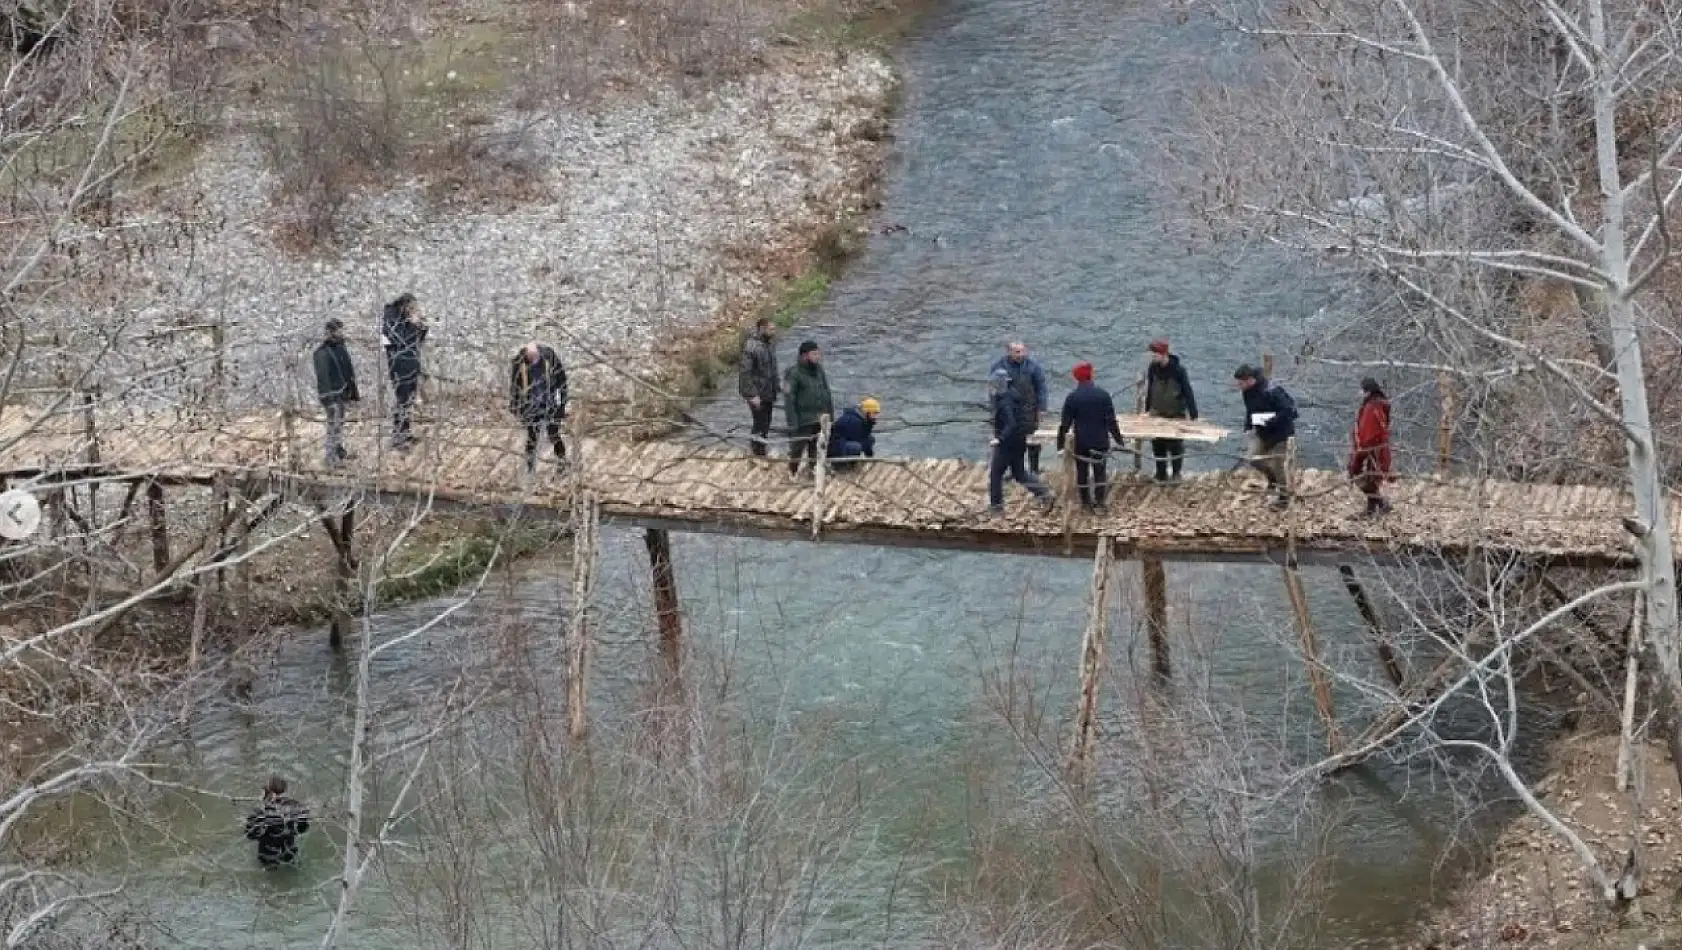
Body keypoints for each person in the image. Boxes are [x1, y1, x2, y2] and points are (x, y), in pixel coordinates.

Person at [1056, 361, 1124, 511]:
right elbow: (1111, 421)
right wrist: (1119, 440)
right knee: (1100, 472)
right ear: (1090, 375)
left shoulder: (1072, 397)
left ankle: (1085, 502)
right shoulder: (1103, 395)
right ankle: (1100, 502)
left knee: (1082, 472)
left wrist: (1060, 445)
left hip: (1081, 441)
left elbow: (1064, 424)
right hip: (1100, 440)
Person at [988, 366, 1054, 515]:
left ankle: (996, 507)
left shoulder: (1004, 402)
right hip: (1020, 440)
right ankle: (1043, 493)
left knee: (995, 474)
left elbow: (1010, 423)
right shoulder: (1014, 395)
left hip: (1007, 444)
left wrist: (999, 438)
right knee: (1019, 473)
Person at [1234, 363, 1298, 510]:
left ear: (1250, 380)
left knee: (1278, 465)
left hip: (1281, 432)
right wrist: (1247, 426)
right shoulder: (1247, 392)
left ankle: (1283, 498)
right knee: (1253, 460)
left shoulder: (1272, 391)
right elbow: (1250, 411)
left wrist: (1272, 421)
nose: (1239, 386)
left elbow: (1288, 410)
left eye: (1241, 383)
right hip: (1262, 432)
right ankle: (1272, 480)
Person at [1143, 339, 1199, 482]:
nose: (1153, 356)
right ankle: (1160, 474)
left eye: (1155, 354)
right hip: (1157, 413)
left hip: (1175, 413)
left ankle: (1176, 474)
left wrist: (1193, 413)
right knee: (1158, 444)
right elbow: (1150, 388)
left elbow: (1188, 391)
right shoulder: (1152, 368)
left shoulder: (1179, 370)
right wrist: (1147, 409)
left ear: (1164, 354)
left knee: (1175, 446)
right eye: (1152, 353)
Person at [509, 341, 569, 472]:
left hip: (551, 403)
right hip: (531, 405)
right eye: (530, 358)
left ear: (539, 354)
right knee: (532, 436)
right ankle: (530, 468)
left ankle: (562, 462)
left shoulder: (549, 357)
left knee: (553, 433)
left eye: (534, 357)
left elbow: (562, 380)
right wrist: (515, 406)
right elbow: (515, 386)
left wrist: (563, 404)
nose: (532, 360)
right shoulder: (519, 362)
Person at [990, 341, 1048, 473]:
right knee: (1009, 440)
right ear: (1009, 352)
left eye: (1022, 351)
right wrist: (995, 409)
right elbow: (993, 390)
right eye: (1017, 352)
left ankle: (1034, 469)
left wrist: (1042, 408)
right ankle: (1014, 469)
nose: (1020, 354)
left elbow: (1041, 388)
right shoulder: (999, 367)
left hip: (1028, 410)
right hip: (1007, 410)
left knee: (1033, 440)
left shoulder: (1033, 367)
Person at [380, 293, 427, 451]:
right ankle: (398, 437)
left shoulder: (405, 320)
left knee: (408, 401)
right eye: (412, 308)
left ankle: (405, 432)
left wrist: (421, 326)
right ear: (404, 306)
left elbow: (417, 341)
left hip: (411, 364)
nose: (413, 310)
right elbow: (401, 341)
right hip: (399, 367)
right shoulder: (390, 320)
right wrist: (413, 325)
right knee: (402, 400)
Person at [312, 318, 359, 469]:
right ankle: (330, 457)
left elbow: (348, 371)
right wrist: (328, 399)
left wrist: (352, 393)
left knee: (339, 423)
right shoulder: (322, 353)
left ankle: (337, 450)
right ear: (331, 332)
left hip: (341, 392)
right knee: (334, 424)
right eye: (339, 330)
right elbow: (323, 378)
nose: (342, 333)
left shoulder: (340, 347)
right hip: (332, 395)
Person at [783, 340, 834, 477]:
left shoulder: (819, 370)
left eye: (818, 354)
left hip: (819, 417)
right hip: (802, 419)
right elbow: (789, 400)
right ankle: (792, 471)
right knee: (797, 448)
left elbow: (826, 392)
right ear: (804, 355)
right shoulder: (793, 373)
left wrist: (830, 416)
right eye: (814, 354)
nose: (818, 357)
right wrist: (793, 422)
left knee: (816, 446)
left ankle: (813, 470)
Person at [1349, 377, 1393, 516]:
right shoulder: (1377, 405)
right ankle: (1372, 508)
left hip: (1372, 451)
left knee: (1360, 475)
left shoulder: (1372, 408)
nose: (1360, 393)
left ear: (1368, 392)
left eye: (1362, 390)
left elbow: (1368, 434)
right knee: (1370, 479)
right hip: (1378, 449)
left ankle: (1380, 504)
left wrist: (1359, 456)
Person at [244, 776, 310, 869]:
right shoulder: (295, 808)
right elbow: (302, 830)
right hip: (289, 854)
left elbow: (250, 835)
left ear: (267, 793)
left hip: (268, 856)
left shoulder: (260, 811)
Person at [738, 318, 780, 457]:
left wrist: (778, 386)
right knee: (759, 422)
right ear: (762, 328)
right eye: (771, 329)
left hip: (768, 390)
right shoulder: (751, 347)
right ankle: (757, 450)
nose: (774, 332)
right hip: (757, 392)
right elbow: (745, 373)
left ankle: (761, 447)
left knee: (766, 422)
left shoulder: (769, 344)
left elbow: (772, 369)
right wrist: (751, 394)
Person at [828, 397, 880, 472]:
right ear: (867, 412)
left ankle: (860, 462)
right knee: (857, 446)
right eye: (874, 413)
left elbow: (864, 436)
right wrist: (869, 455)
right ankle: (843, 466)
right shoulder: (854, 421)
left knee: (870, 439)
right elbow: (861, 439)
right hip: (836, 448)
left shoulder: (861, 419)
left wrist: (869, 423)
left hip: (845, 443)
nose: (876, 416)